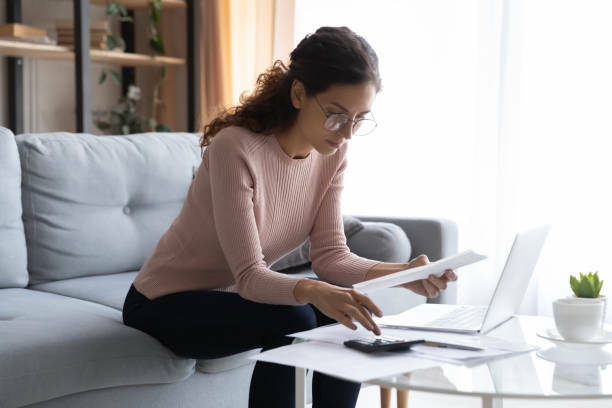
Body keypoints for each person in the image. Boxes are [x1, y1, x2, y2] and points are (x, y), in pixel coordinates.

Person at [122, 26, 457, 408]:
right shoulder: (236, 148)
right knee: (294, 316)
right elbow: (250, 277)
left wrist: (403, 274)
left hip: (233, 300)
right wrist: (314, 290)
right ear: (299, 93)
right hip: (163, 303)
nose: (347, 133)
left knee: (345, 307)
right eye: (336, 115)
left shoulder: (332, 154)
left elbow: (332, 256)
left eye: (359, 119)